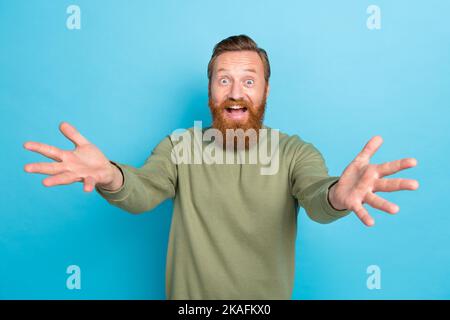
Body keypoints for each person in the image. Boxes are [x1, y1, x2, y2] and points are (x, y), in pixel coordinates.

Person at [23, 35, 419, 299]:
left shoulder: (295, 152)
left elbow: (317, 196)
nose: (235, 92)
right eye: (223, 80)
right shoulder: (180, 147)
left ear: (265, 91)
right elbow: (144, 189)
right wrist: (111, 174)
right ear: (211, 90)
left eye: (249, 81)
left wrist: (338, 194)